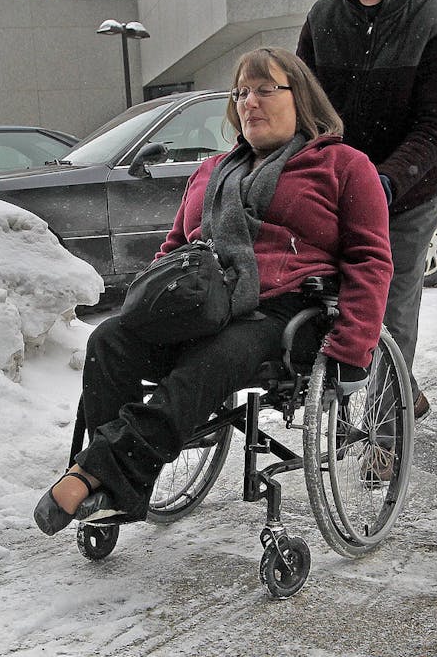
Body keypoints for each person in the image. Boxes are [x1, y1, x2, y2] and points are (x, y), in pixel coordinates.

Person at [33, 47, 393, 534]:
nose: (250, 102)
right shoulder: (211, 171)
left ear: (301, 98)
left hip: (286, 309)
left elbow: (370, 260)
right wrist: (149, 303)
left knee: (212, 361)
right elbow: (175, 247)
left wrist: (355, 346)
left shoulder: (343, 166)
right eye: (242, 92)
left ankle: (95, 472)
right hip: (202, 303)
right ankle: (118, 492)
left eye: (266, 89)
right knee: (109, 342)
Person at [296, 0, 437, 420]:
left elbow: (436, 126)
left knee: (390, 308)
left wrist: (384, 182)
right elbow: (305, 111)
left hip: (407, 193)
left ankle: (385, 438)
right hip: (337, 189)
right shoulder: (322, 19)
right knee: (333, 302)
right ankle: (394, 390)